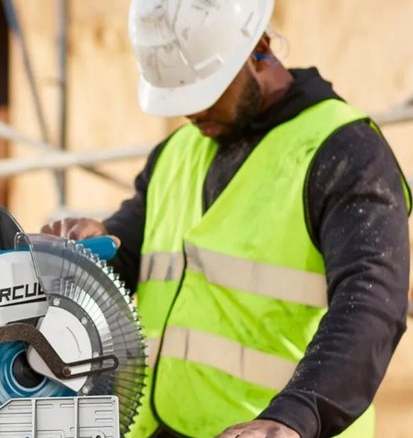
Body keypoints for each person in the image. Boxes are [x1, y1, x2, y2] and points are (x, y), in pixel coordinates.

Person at [41, 0, 411, 437]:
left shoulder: (345, 152)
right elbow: (133, 248)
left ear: (260, 48)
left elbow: (371, 303)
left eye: (207, 91)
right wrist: (94, 245)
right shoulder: (177, 151)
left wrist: (293, 417)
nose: (194, 111)